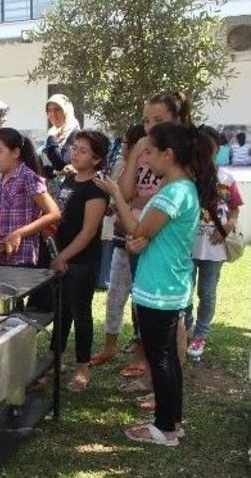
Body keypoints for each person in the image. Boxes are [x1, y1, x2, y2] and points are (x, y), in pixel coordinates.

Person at [96, 122, 219, 447]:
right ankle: (171, 421)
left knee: (161, 358)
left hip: (160, 288)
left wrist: (116, 194)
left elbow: (136, 229)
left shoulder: (174, 191)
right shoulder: (183, 187)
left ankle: (165, 429)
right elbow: (150, 236)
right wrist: (141, 240)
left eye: (149, 151)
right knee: (166, 358)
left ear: (169, 154)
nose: (145, 157)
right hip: (169, 284)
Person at [115, 91, 191, 389]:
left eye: (158, 120)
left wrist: (137, 199)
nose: (150, 127)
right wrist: (135, 154)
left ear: (176, 119)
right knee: (144, 308)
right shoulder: (146, 147)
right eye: (146, 120)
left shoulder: (183, 152)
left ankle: (168, 383)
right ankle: (152, 375)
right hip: (138, 236)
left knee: (174, 318)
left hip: (164, 243)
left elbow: (179, 195)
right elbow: (123, 191)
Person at [48, 130, 110, 392]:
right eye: (75, 148)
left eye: (83, 150)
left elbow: (88, 232)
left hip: (82, 261)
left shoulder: (96, 188)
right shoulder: (70, 179)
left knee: (80, 312)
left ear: (96, 159)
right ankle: (55, 360)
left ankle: (83, 366)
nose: (75, 152)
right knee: (60, 310)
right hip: (60, 255)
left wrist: (64, 256)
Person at [184, 125, 244, 359]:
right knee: (184, 291)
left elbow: (235, 210)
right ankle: (186, 327)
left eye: (211, 147)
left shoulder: (227, 179)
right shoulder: (187, 177)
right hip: (187, 247)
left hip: (215, 249)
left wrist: (228, 226)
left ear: (217, 149)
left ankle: (200, 335)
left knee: (207, 293)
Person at [90, 125, 147, 366]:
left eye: (125, 144)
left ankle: (142, 356)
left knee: (142, 300)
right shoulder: (120, 167)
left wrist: (126, 199)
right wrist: (114, 205)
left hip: (145, 241)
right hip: (120, 239)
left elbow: (142, 198)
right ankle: (109, 347)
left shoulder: (154, 169)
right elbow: (121, 198)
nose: (122, 147)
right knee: (114, 295)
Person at [0, 127, 61, 266]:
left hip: (23, 258)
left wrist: (19, 233)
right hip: (2, 255)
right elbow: (0, 214)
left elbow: (54, 213)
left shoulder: (27, 176)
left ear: (15, 152)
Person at [41, 94, 81, 177]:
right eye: (49, 110)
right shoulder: (52, 131)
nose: (53, 114)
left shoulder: (74, 133)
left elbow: (61, 164)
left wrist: (51, 139)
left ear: (66, 111)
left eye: (57, 110)